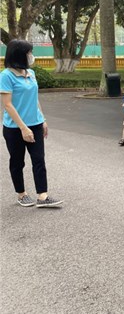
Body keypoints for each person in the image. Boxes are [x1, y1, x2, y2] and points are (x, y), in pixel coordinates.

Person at [0, 39, 62, 207]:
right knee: (17, 162)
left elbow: (34, 99)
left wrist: (42, 120)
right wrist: (23, 128)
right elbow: (7, 104)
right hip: (15, 128)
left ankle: (42, 195)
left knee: (39, 159)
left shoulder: (31, 73)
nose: (31, 55)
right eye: (28, 53)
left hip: (35, 124)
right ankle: (21, 194)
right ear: (19, 55)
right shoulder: (6, 76)